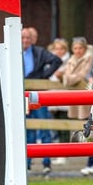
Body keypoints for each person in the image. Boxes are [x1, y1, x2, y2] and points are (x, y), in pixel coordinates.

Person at [63, 38, 93, 175]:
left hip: (89, 99)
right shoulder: (72, 59)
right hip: (80, 99)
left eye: (80, 48)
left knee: (91, 130)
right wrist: (73, 78)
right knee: (88, 130)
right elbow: (66, 79)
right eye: (75, 48)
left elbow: (84, 75)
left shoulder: (89, 58)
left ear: (84, 48)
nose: (77, 51)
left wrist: (72, 78)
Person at [23, 26, 62, 175]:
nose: (25, 40)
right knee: (28, 130)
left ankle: (46, 163)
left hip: (38, 95)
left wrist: (44, 76)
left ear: (32, 39)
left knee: (44, 127)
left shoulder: (39, 52)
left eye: (27, 38)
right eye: (23, 38)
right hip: (22, 96)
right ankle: (27, 164)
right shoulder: (13, 51)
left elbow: (56, 61)